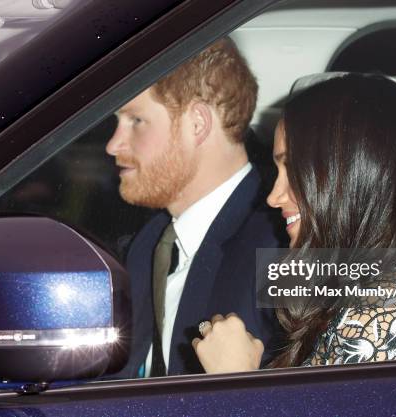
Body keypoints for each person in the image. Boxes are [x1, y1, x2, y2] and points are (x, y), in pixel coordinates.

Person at [192, 73, 396, 373]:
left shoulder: (387, 317)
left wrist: (236, 379)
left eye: (293, 169)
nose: (274, 197)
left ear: (351, 176)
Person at [105, 38, 285, 377]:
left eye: (136, 120)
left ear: (198, 123)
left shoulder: (282, 244)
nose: (114, 144)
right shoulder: (150, 243)